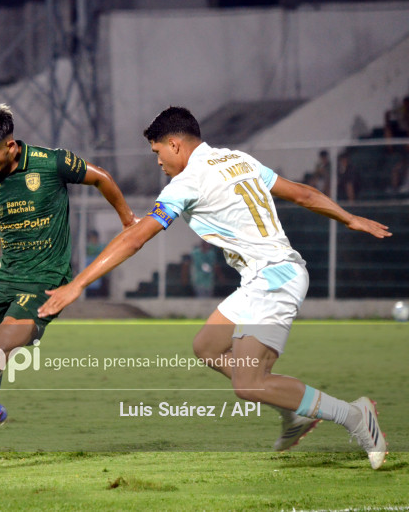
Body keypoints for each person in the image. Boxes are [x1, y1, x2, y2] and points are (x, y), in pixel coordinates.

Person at [38, 106, 392, 469]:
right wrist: (348, 217)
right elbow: (300, 194)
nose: (158, 162)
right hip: (263, 277)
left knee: (249, 384)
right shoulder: (236, 159)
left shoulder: (187, 182)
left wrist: (78, 283)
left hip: (274, 278)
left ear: (174, 145)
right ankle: (296, 414)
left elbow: (136, 238)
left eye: (157, 152)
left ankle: (354, 415)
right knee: (207, 346)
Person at [0, 103, 138, 474]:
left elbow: (102, 177)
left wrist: (127, 220)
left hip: (45, 282)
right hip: (2, 281)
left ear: (10, 146)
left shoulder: (51, 163)